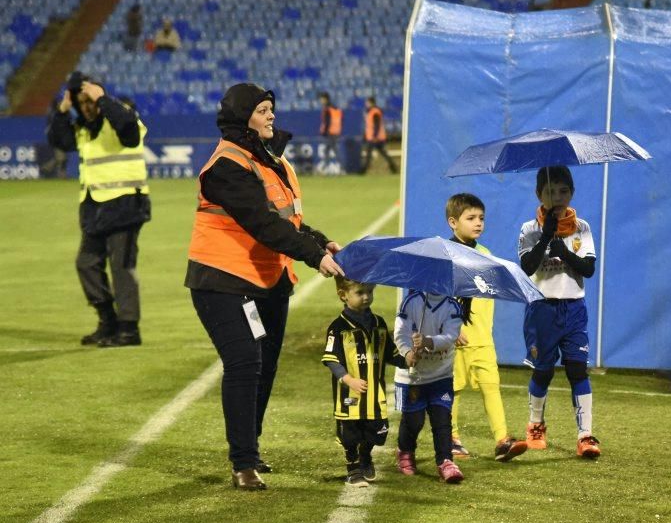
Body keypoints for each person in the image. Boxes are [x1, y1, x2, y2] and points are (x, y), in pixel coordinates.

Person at [186, 82, 344, 490]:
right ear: (243, 117)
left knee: (265, 367)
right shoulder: (226, 165)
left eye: (271, 108)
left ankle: (249, 450)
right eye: (261, 109)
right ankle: (243, 463)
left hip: (267, 278)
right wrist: (314, 257)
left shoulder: (271, 160)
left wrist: (319, 239)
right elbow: (260, 222)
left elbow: (285, 219)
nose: (271, 115)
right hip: (223, 279)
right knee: (244, 363)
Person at [46, 71, 151, 347]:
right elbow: (58, 140)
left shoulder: (121, 120)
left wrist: (101, 97)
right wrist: (63, 109)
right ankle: (109, 321)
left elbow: (128, 126)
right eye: (83, 103)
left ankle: (129, 330)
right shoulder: (82, 130)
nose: (88, 107)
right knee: (86, 264)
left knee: (121, 267)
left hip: (126, 204)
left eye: (90, 101)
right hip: (95, 208)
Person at [517, 165, 600, 458]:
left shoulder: (582, 228)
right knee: (544, 371)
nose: (557, 196)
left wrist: (563, 251)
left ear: (572, 193)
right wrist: (545, 238)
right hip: (542, 308)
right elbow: (527, 267)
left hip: (574, 308)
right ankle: (535, 425)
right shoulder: (529, 229)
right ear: (539, 194)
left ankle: (586, 435)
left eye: (563, 190)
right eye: (551, 191)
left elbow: (588, 269)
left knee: (578, 368)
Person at [446, 193, 528, 462]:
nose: (478, 223)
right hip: (455, 338)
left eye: (481, 218)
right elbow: (440, 297)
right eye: (471, 218)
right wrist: (451, 328)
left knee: (491, 386)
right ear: (452, 222)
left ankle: (502, 440)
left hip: (483, 337)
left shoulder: (486, 255)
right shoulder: (445, 255)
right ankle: (451, 438)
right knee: (454, 389)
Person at [322, 278, 410, 487]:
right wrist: (349, 379)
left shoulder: (379, 323)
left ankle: (365, 456)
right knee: (350, 434)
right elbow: (331, 360)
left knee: (378, 431)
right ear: (343, 295)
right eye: (360, 292)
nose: (366, 297)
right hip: (349, 396)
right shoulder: (338, 328)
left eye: (370, 291)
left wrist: (408, 359)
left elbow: (390, 353)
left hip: (374, 394)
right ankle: (353, 469)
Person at [394, 290, 465, 483]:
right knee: (414, 421)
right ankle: (405, 450)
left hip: (441, 375)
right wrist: (407, 352)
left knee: (442, 419)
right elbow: (400, 333)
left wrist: (427, 341)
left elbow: (450, 336)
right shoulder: (411, 302)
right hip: (413, 377)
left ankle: (445, 461)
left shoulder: (454, 306)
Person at [360, 96, 396, 174]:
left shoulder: (375, 112)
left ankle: (363, 170)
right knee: (383, 153)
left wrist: (374, 136)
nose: (366, 104)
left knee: (369, 154)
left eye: (367, 102)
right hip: (375, 137)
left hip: (375, 137)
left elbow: (377, 125)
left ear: (371, 103)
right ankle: (393, 167)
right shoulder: (371, 112)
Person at [317, 91, 342, 174]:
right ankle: (326, 168)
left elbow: (327, 122)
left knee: (333, 150)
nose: (321, 101)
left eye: (321, 99)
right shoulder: (335, 108)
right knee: (329, 150)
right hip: (336, 132)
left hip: (330, 132)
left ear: (325, 99)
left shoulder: (327, 109)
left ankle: (340, 168)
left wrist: (324, 131)